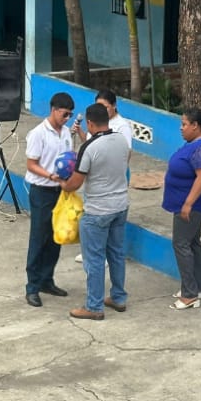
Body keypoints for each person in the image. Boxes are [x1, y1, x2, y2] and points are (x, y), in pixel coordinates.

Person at [60, 102, 130, 321]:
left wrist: (63, 184)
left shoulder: (89, 147)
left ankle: (94, 306)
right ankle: (118, 298)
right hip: (120, 206)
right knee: (117, 254)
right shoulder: (121, 140)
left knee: (95, 260)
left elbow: (75, 183)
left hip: (98, 210)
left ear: (89, 123)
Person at [162, 108, 201, 309]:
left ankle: (189, 294)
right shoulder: (195, 143)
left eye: (184, 124)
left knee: (181, 244)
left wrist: (187, 203)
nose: (181, 128)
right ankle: (196, 287)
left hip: (192, 205)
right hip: (187, 202)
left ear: (195, 126)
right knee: (192, 242)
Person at [23, 91, 75, 308]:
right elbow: (31, 164)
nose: (67, 118)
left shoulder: (65, 133)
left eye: (70, 115)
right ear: (54, 110)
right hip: (43, 190)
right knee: (39, 237)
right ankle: (32, 287)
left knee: (56, 237)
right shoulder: (38, 133)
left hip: (60, 191)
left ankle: (47, 279)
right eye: (64, 114)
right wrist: (51, 175)